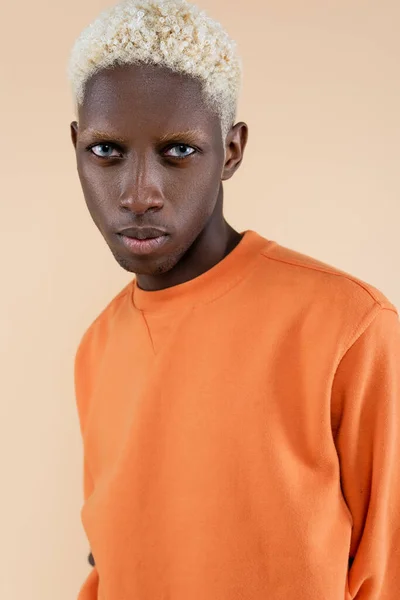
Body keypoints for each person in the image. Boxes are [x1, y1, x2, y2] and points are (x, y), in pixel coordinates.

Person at [67, 1, 400, 598]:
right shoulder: (95, 349)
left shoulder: (350, 327)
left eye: (179, 150)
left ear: (233, 150)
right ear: (76, 148)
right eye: (107, 151)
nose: (139, 193)